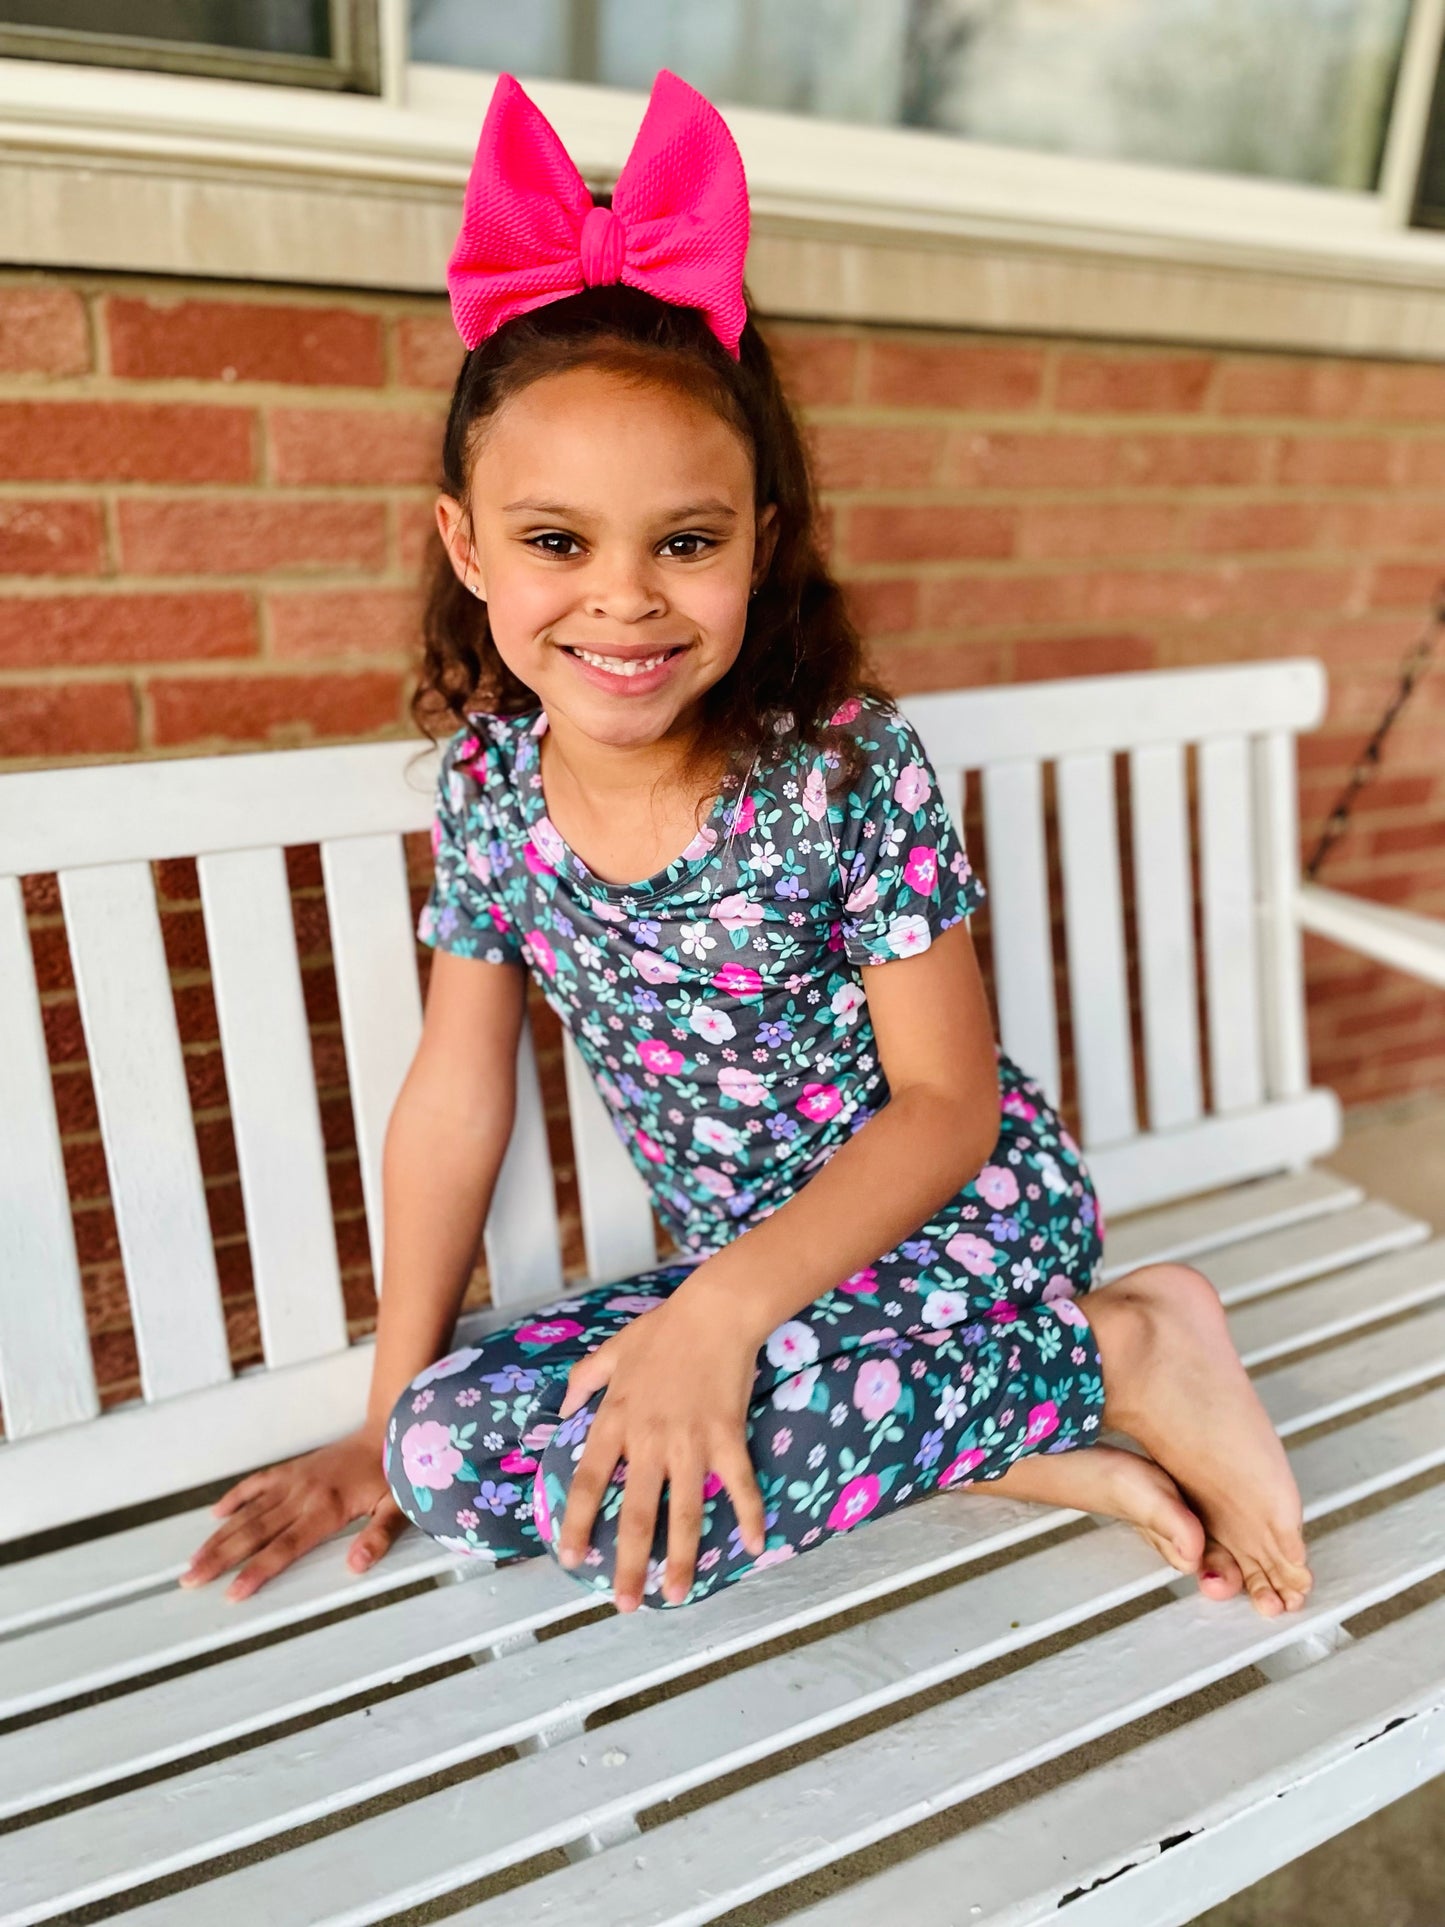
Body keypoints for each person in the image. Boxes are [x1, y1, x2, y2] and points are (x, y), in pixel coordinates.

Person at [180, 67, 1313, 1621]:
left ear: (759, 544)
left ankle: (1120, 1341)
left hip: (956, 1232)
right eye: (556, 541)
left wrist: (716, 1321)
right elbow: (455, 1096)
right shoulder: (492, 790)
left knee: (660, 1473)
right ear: (464, 542)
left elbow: (943, 1107)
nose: (624, 600)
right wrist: (385, 1416)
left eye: (686, 543)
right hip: (762, 1279)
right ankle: (1041, 1434)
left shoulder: (840, 771)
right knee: (455, 1459)